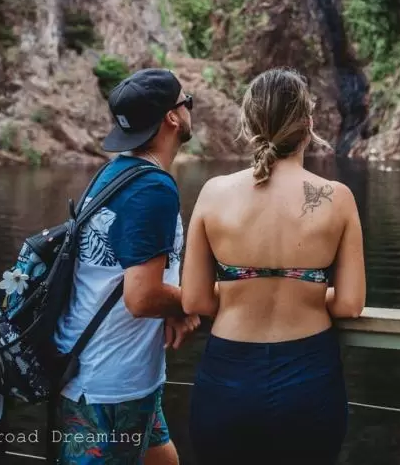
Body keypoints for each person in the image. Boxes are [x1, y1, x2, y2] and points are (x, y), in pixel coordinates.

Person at [182, 67, 366, 464]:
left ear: (248, 125)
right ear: (309, 124)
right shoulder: (338, 197)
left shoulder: (214, 194)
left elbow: (195, 298)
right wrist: (306, 292)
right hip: (309, 376)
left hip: (227, 377)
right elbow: (350, 305)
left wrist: (240, 291)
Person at [53, 68, 201, 465]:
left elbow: (131, 279)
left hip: (103, 372)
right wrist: (192, 301)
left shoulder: (113, 173)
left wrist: (169, 305)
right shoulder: (153, 188)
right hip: (111, 386)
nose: (190, 109)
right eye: (187, 101)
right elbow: (141, 296)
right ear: (172, 117)